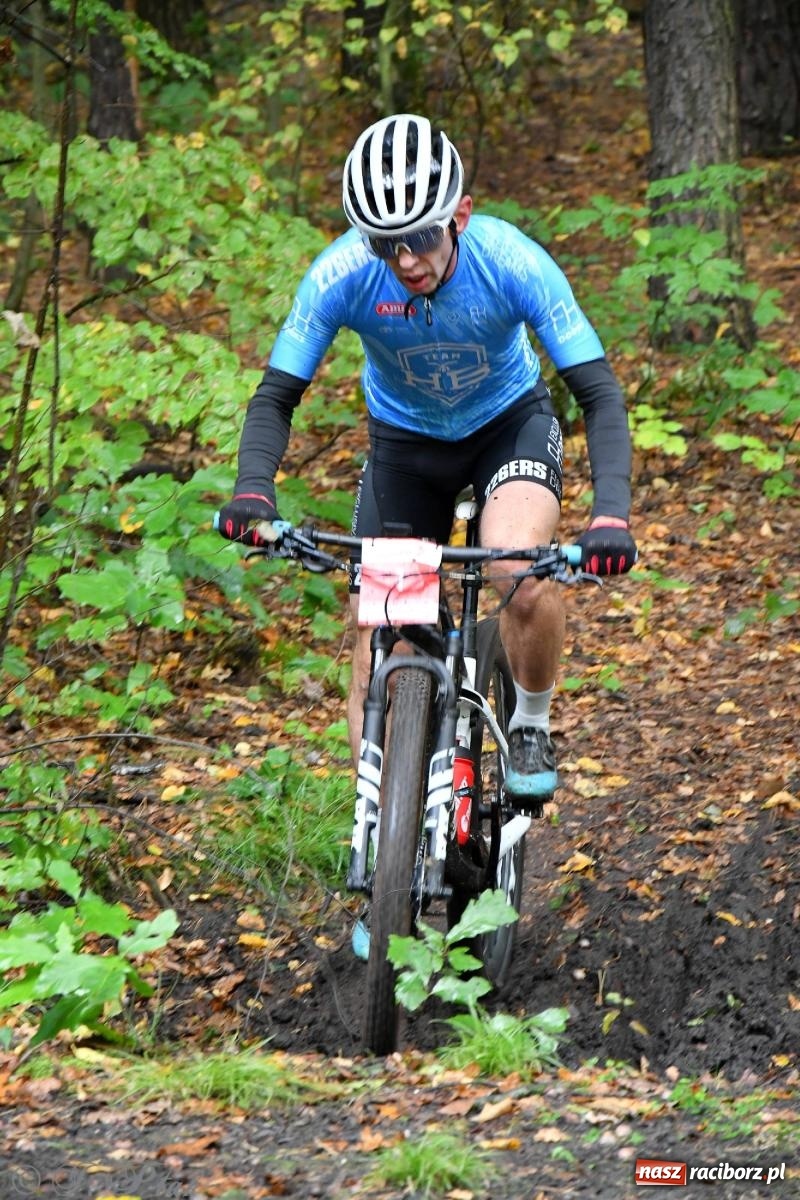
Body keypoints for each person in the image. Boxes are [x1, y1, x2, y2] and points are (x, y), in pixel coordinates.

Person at [217, 112, 636, 808]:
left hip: (507, 427)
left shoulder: (512, 261)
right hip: (406, 447)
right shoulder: (342, 274)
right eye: (386, 243)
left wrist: (610, 515)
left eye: (420, 237)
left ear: (459, 216)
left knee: (518, 571)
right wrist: (254, 490)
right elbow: (276, 396)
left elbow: (598, 392)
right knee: (379, 634)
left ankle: (530, 725)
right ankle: (377, 833)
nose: (406, 260)